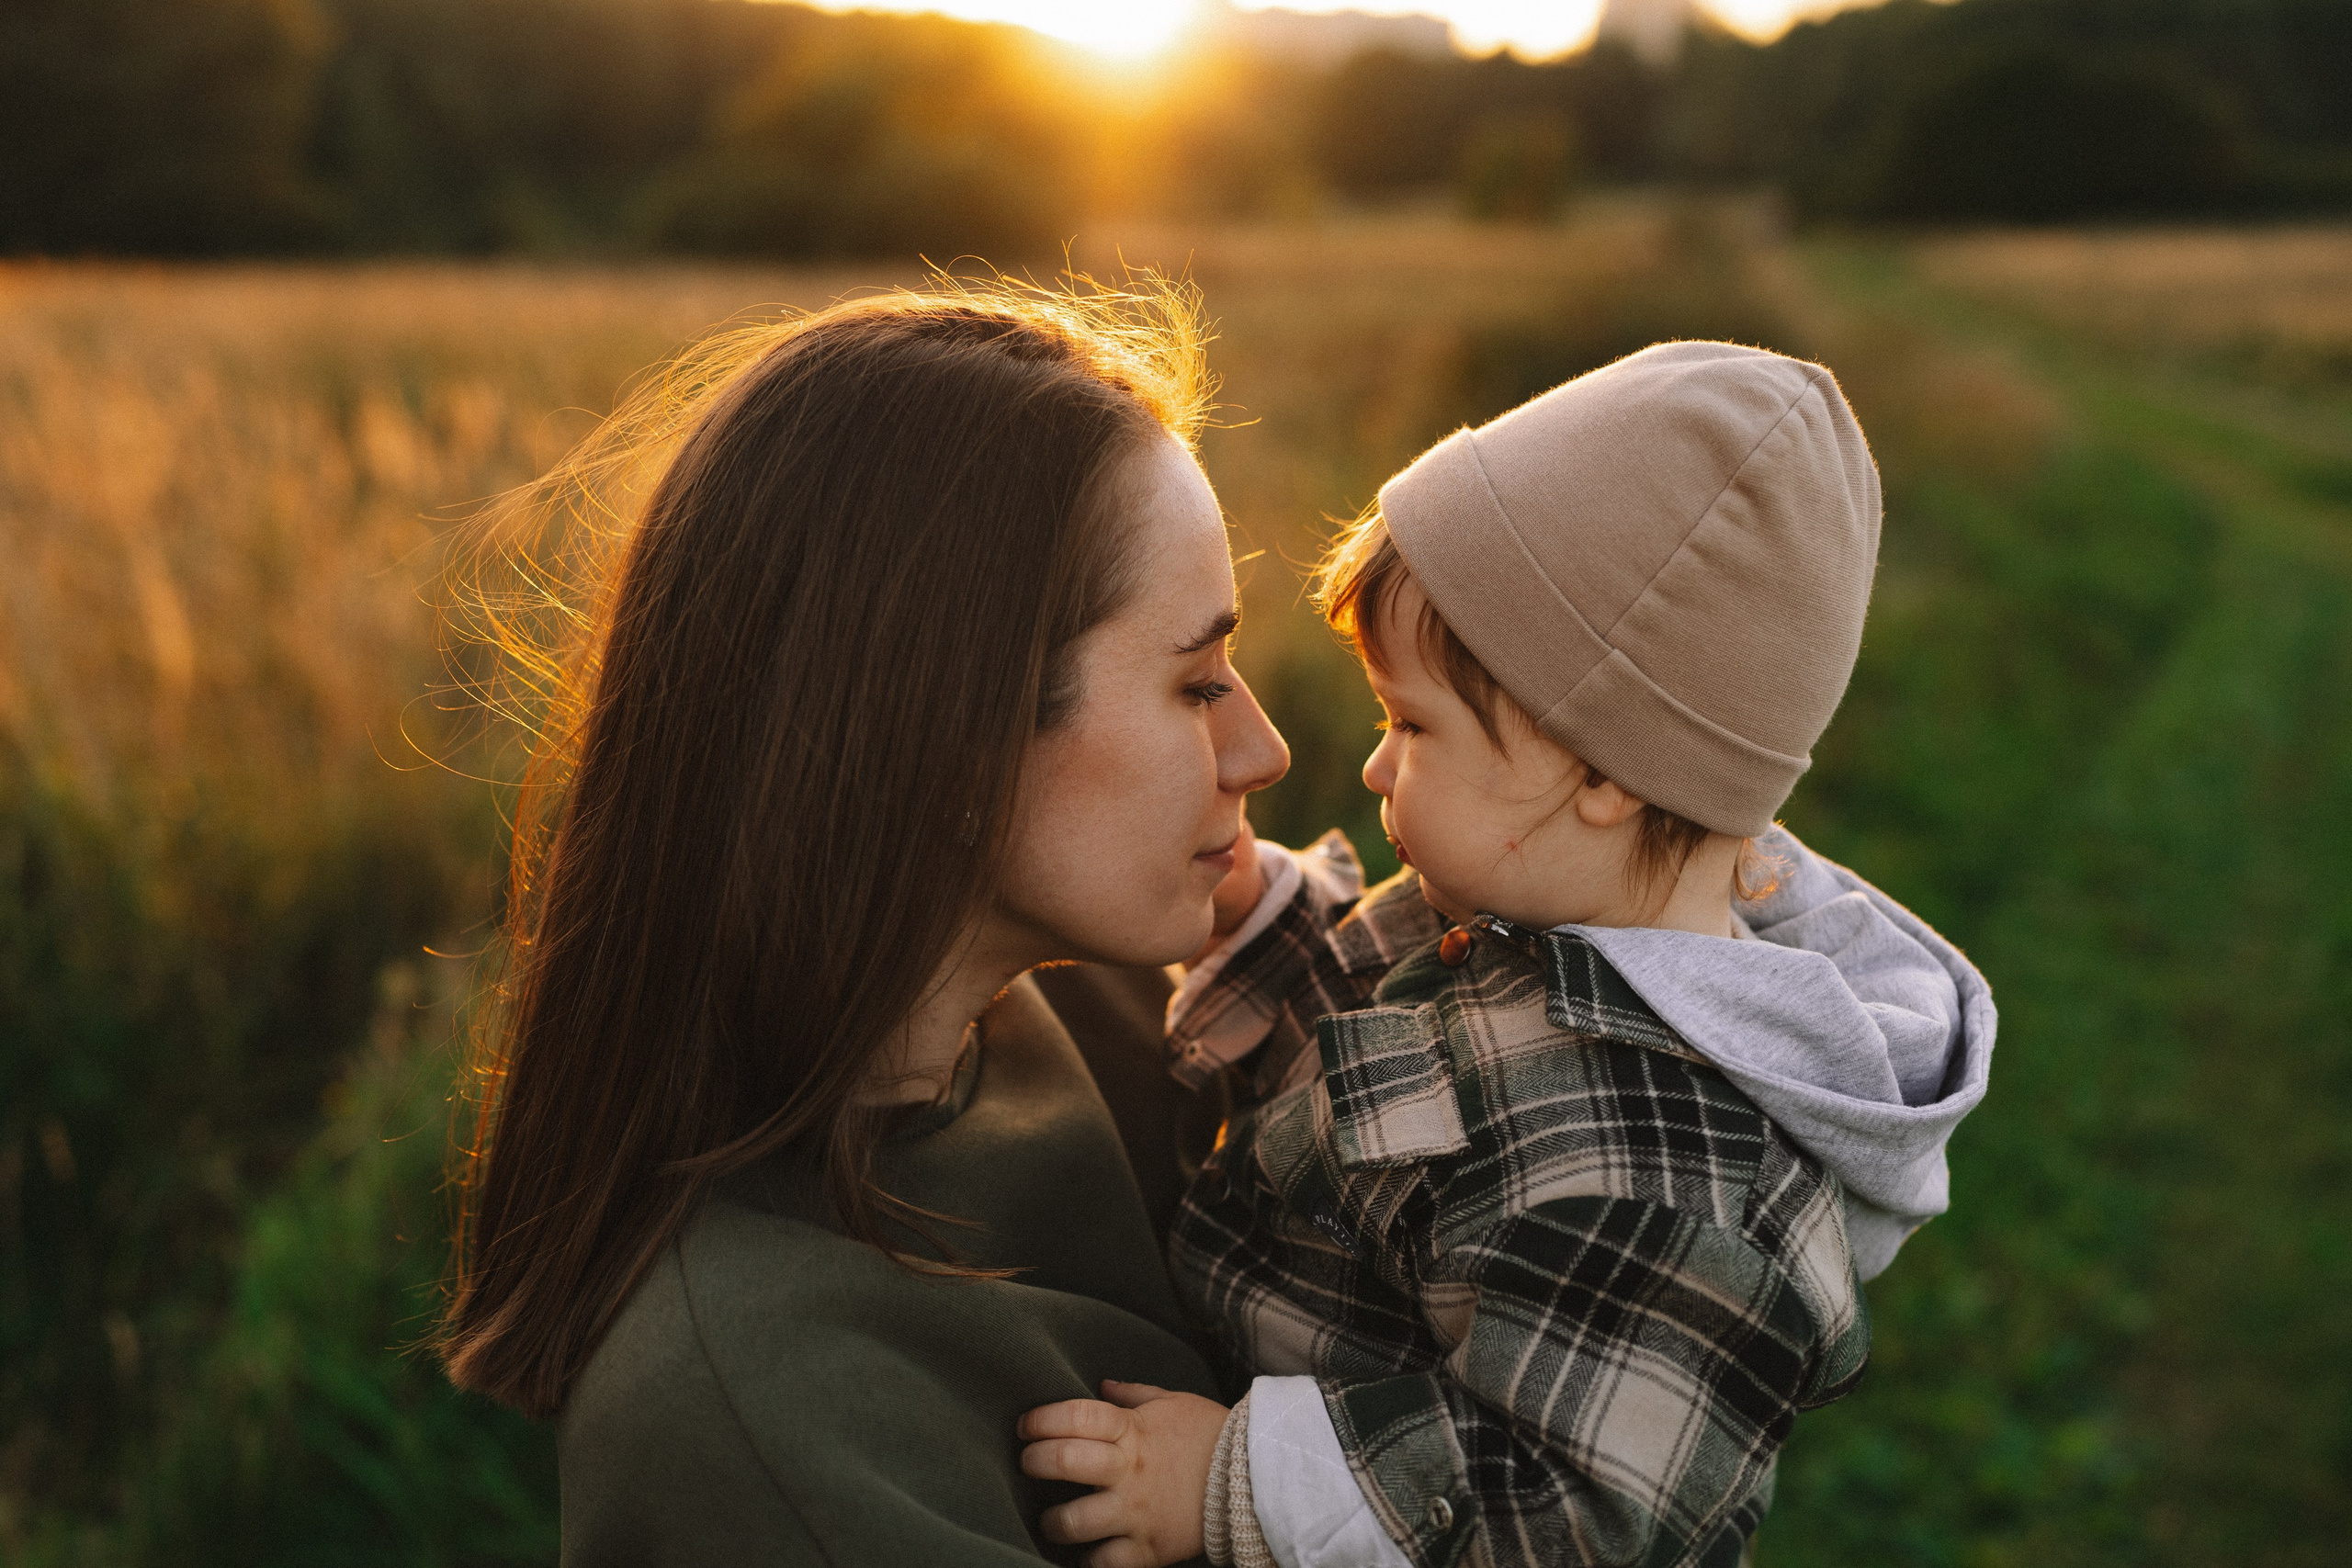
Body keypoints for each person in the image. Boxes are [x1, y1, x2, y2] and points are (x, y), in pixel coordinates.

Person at [1018, 343, 1996, 1568]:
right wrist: (1254, 907)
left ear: (1593, 768)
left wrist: (1235, 1481)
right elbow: (1378, 1016)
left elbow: (1572, 1514)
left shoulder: (1664, 1172)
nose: (1374, 767)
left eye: (1408, 723)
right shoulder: (1521, 916)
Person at [435, 280, 1295, 1565]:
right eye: (1193, 681)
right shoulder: (747, 1424)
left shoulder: (1127, 1008)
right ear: (945, 730)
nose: (1262, 748)